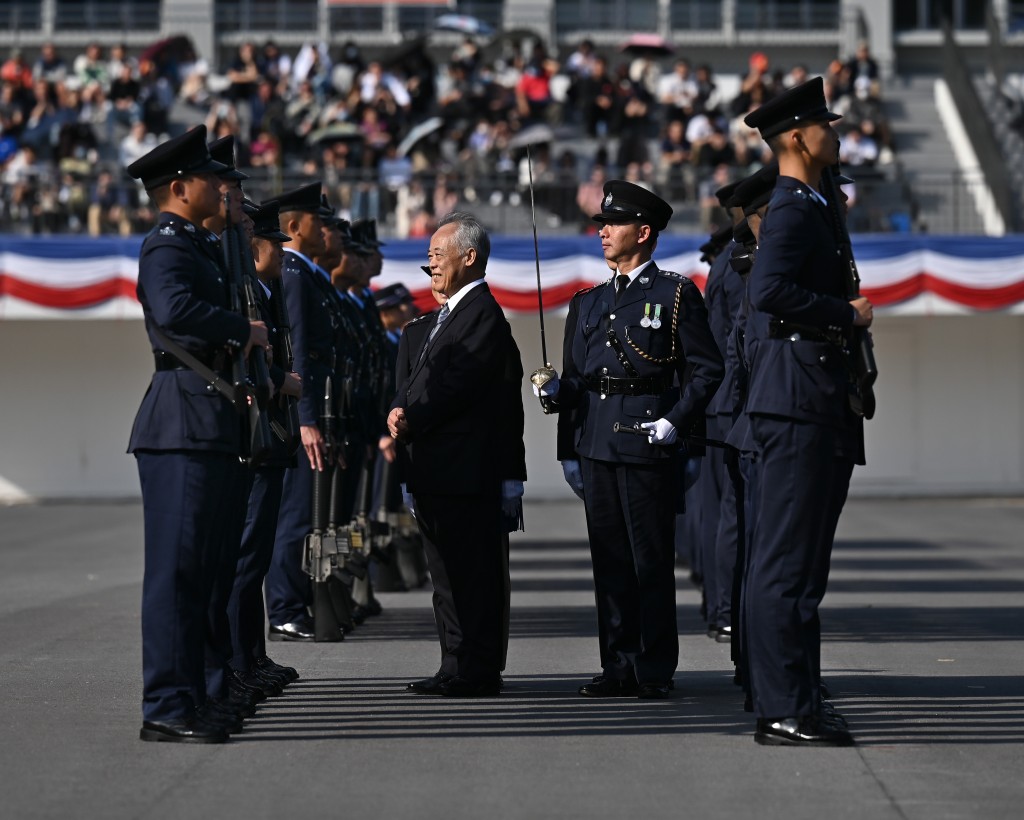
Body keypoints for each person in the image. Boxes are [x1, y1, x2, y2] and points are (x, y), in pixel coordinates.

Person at [536, 181, 723, 699]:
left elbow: (707, 371)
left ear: (643, 233)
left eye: (612, 224)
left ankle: (654, 667)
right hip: (596, 442)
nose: (602, 232)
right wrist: (561, 415)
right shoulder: (588, 303)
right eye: (601, 224)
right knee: (610, 559)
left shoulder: (675, 293)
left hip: (648, 441)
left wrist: (676, 421)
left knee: (650, 560)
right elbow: (578, 380)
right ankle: (617, 663)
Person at [125, 125, 268, 743]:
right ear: (180, 188)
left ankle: (198, 693)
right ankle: (166, 704)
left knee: (207, 572)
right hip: (181, 420)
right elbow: (174, 311)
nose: (222, 187)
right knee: (178, 575)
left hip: (207, 419)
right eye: (212, 178)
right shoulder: (166, 245)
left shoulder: (201, 244)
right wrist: (243, 328)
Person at [741, 76, 873, 746]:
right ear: (796, 135)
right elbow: (769, 291)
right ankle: (784, 706)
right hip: (796, 398)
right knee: (786, 565)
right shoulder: (792, 207)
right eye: (827, 124)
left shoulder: (813, 201)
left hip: (813, 394)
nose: (837, 132)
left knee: (803, 567)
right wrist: (842, 314)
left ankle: (799, 697)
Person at [387, 212, 516, 698]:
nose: (431, 264)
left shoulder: (481, 314)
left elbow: (458, 386)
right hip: (436, 469)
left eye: (438, 255)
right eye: (429, 256)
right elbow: (417, 378)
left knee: (472, 573)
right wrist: (399, 407)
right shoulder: (442, 318)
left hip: (466, 471)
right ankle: (454, 662)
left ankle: (476, 668)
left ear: (470, 256)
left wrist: (411, 417)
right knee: (444, 575)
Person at [265, 181, 336, 642]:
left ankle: (297, 601)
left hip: (315, 413)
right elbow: (298, 355)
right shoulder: (292, 273)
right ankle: (285, 607)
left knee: (305, 514)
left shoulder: (305, 274)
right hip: (298, 417)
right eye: (318, 221)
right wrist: (306, 418)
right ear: (294, 225)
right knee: (293, 515)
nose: (326, 230)